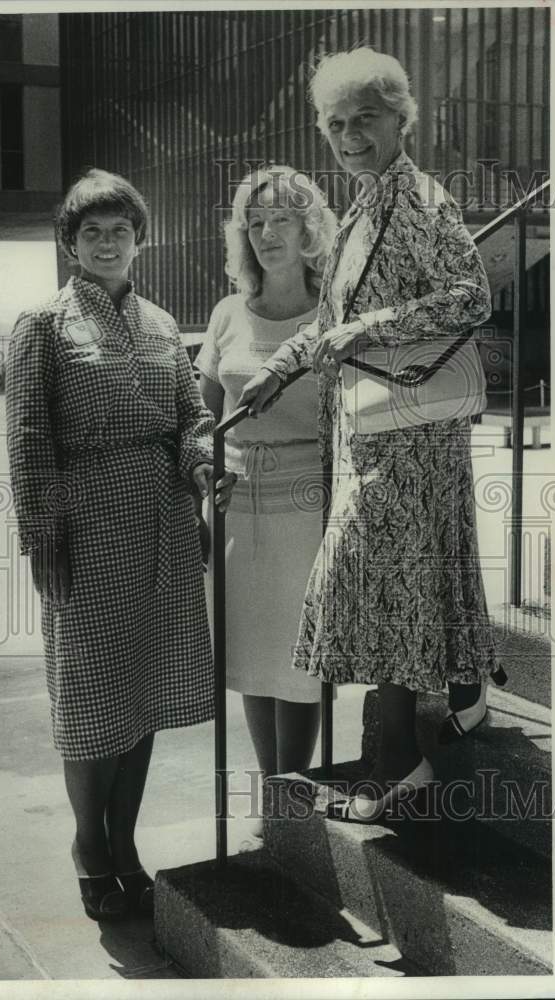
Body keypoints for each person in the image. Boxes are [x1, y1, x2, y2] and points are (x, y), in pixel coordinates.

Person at [239, 48, 498, 821]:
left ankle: (401, 763)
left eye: (365, 119)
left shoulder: (420, 198)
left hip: (410, 435)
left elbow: (469, 295)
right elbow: (326, 325)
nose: (349, 135)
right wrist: (277, 370)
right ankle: (441, 713)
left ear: (400, 119)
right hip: (373, 432)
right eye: (334, 123)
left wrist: (370, 329)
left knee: (369, 582)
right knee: (391, 585)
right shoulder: (359, 207)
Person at [5, 168, 233, 919]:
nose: (108, 243)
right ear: (71, 243)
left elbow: (190, 420)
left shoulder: (166, 324)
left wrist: (204, 470)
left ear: (141, 238)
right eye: (92, 232)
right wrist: (42, 532)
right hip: (86, 526)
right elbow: (29, 436)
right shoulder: (42, 323)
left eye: (120, 230)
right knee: (90, 698)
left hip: (164, 524)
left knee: (145, 693)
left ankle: (126, 842)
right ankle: (88, 846)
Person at [195, 166, 337, 837]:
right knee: (252, 656)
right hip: (235, 506)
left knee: (299, 659)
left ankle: (290, 795)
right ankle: (272, 796)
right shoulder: (227, 312)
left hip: (309, 508)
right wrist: (203, 473)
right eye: (254, 221)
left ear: (309, 224)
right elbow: (201, 417)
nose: (266, 232)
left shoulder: (335, 307)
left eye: (280, 217)